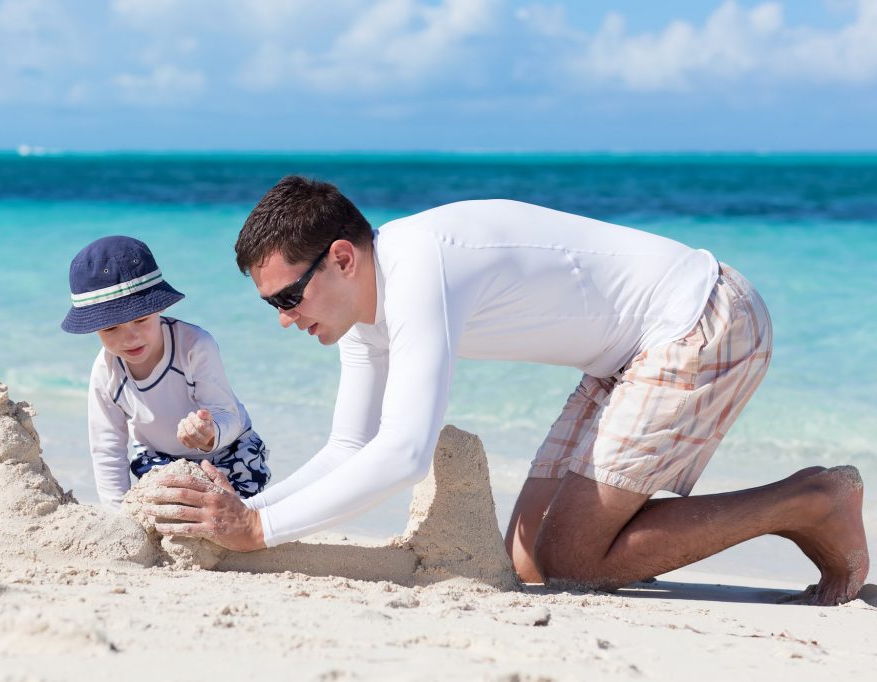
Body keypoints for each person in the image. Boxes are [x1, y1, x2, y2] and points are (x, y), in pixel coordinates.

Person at [144, 177, 868, 606]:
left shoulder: (420, 265)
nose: (285, 320)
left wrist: (259, 534)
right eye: (273, 306)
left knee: (577, 561)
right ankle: (802, 504)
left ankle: (810, 499)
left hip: (702, 318)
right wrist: (244, 512)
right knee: (527, 564)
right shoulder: (362, 313)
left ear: (341, 257)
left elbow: (401, 453)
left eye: (289, 298)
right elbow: (349, 446)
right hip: (624, 354)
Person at [62, 235, 270, 510]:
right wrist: (119, 518)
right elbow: (108, 449)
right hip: (161, 459)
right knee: (166, 512)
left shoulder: (195, 346)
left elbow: (227, 414)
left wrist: (209, 433)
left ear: (160, 308)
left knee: (237, 513)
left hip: (228, 447)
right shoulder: (105, 371)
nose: (130, 337)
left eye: (141, 319)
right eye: (111, 328)